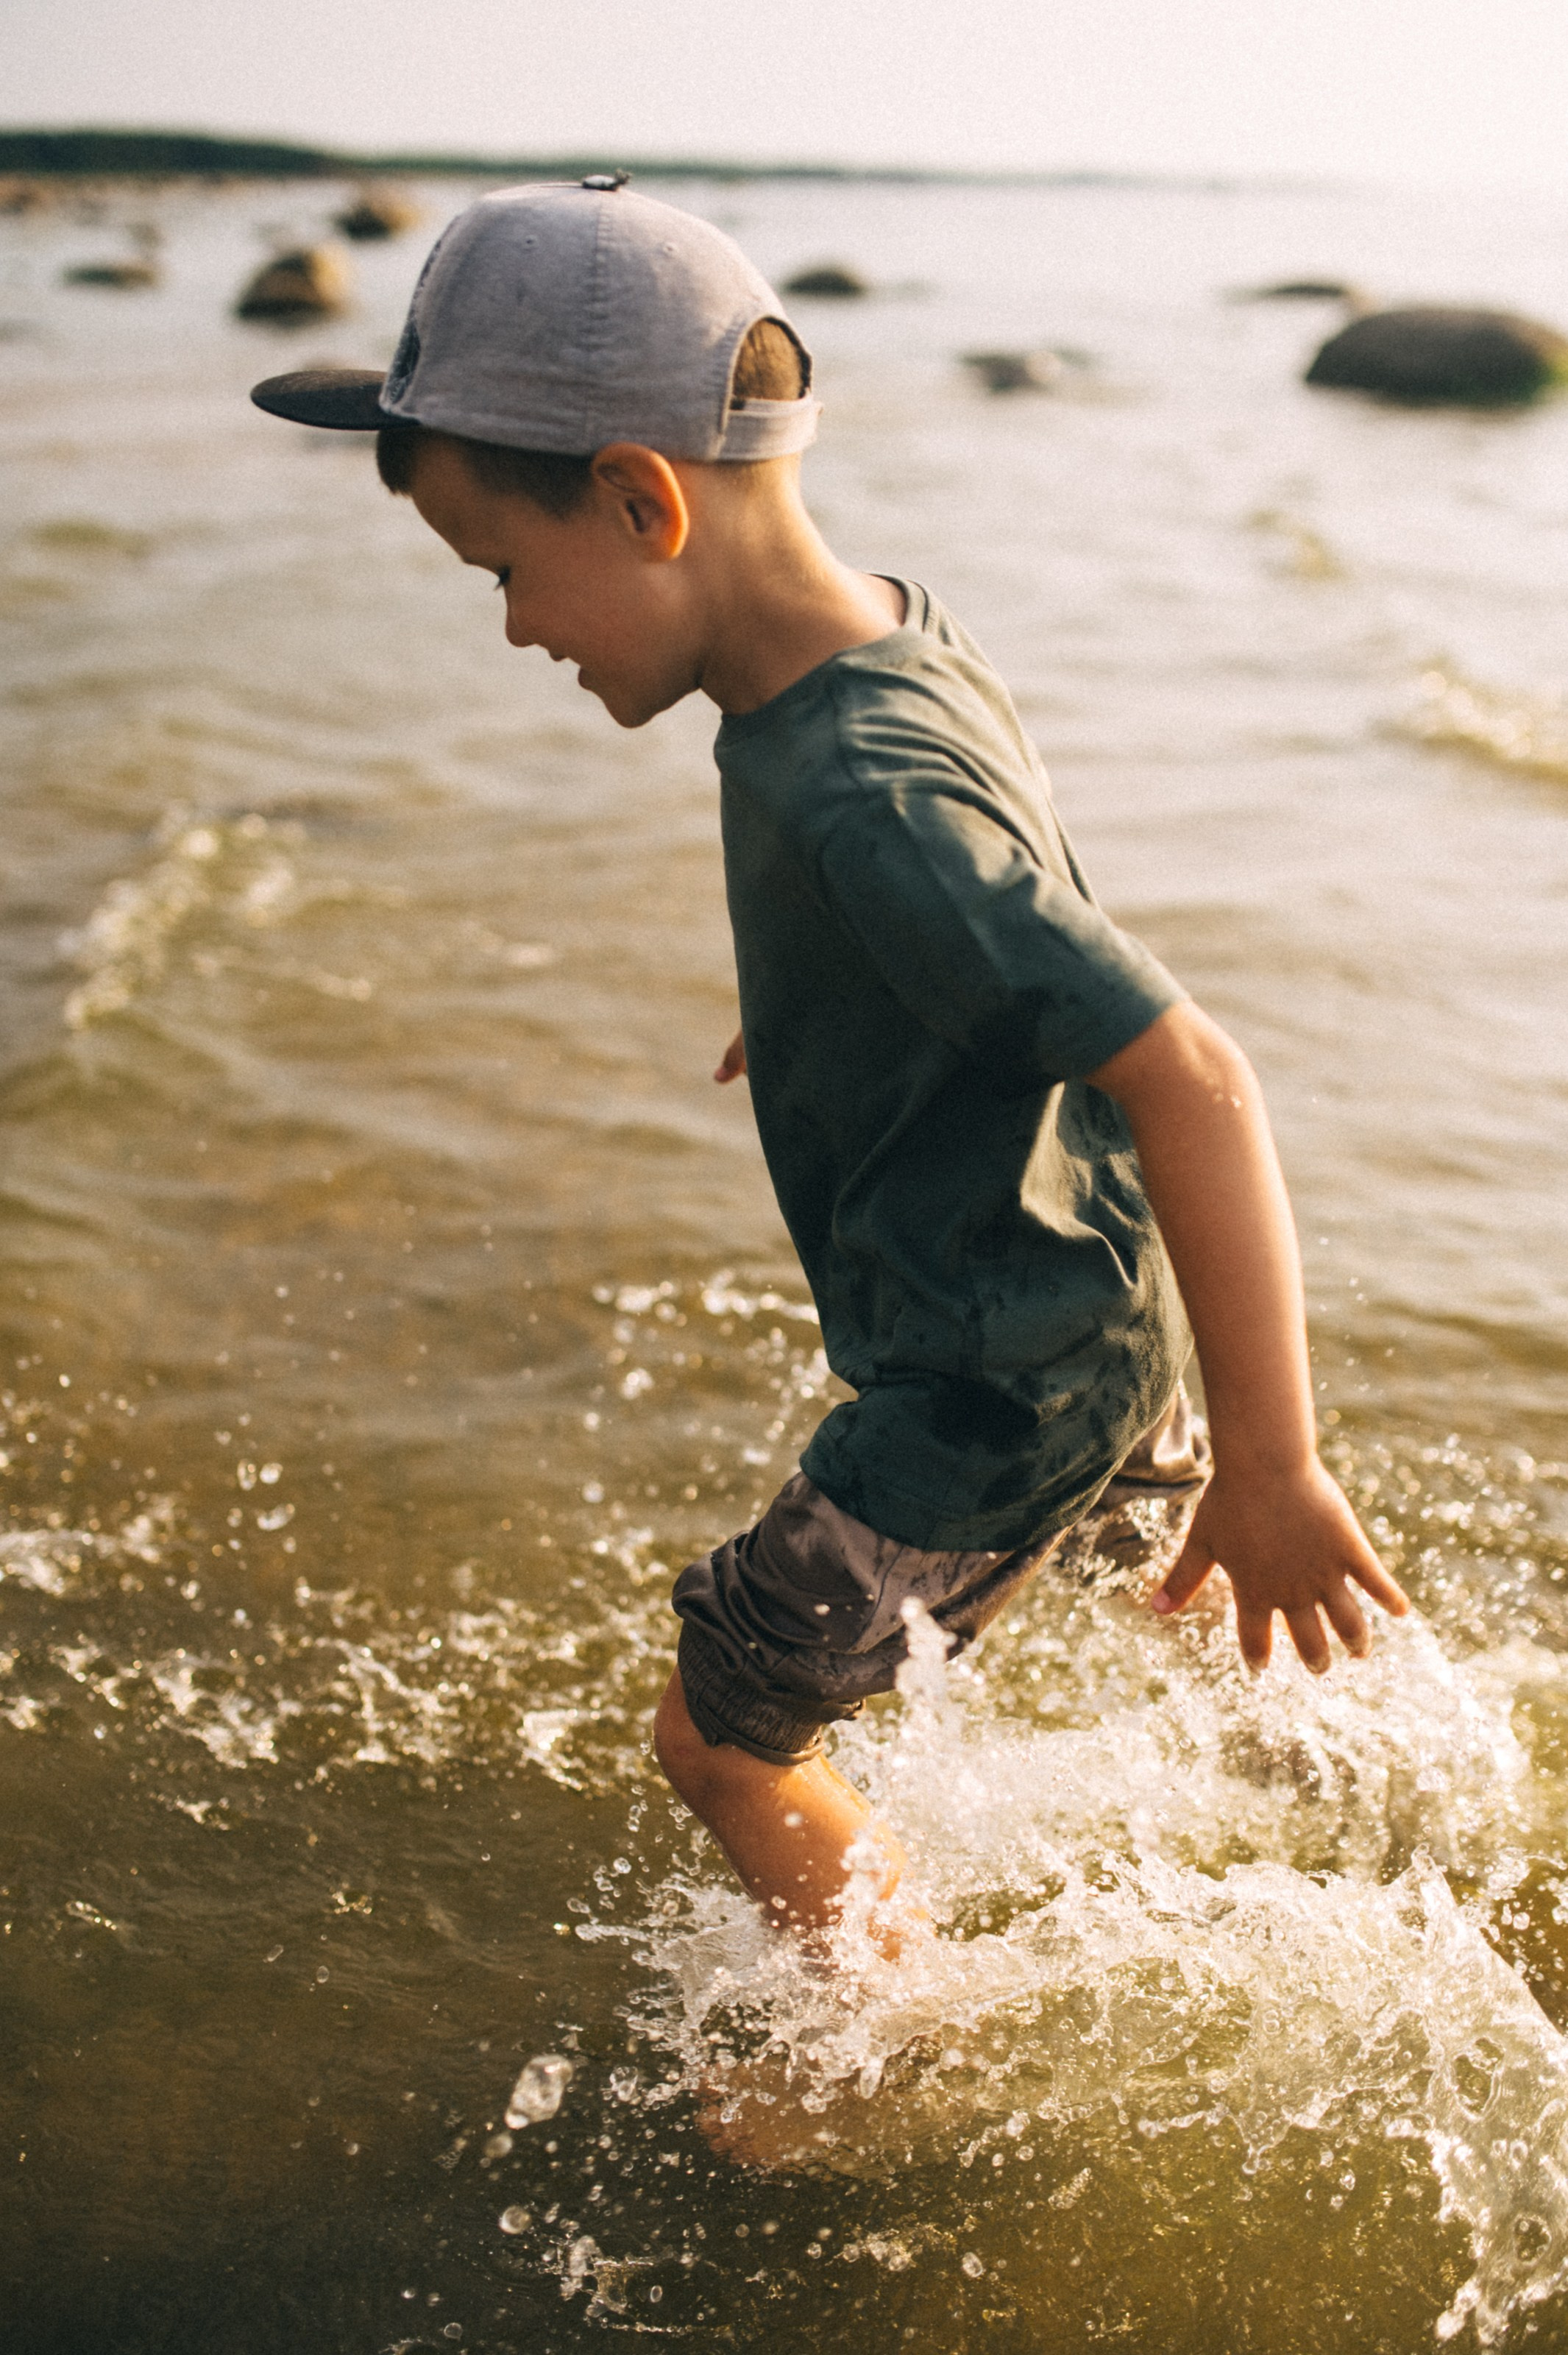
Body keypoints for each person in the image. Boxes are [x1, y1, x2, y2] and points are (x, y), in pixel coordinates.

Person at [251, 178, 1409, 1963]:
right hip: (1090, 1310)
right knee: (1194, 1631)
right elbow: (995, 890)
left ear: (644, 501)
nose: (512, 631)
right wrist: (817, 982)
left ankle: (886, 2039)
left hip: (975, 1378)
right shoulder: (888, 635)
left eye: (503, 572)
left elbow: (1191, 1071)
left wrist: (1279, 1461)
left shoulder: (861, 797)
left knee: (715, 1742)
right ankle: (1375, 1836)